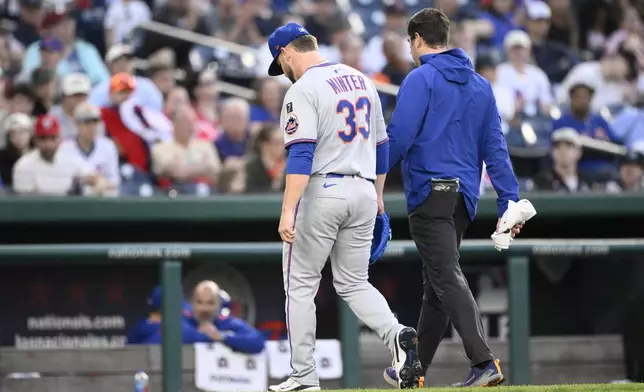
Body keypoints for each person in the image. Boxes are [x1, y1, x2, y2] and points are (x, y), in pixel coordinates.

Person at [266, 23, 421, 391]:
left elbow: (302, 153)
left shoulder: (303, 88)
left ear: (287, 52)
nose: (282, 70)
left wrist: (288, 210)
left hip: (323, 189)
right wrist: (379, 195)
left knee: (300, 285)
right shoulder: (360, 78)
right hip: (364, 190)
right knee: (353, 282)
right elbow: (383, 146)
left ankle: (304, 377)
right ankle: (395, 334)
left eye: (279, 61)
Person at [382, 8, 522, 388]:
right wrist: (509, 199)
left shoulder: (420, 78)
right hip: (464, 200)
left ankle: (482, 361)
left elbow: (398, 139)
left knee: (445, 277)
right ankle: (413, 371)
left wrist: (368, 175)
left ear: (416, 39)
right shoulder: (480, 84)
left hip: (430, 193)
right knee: (437, 289)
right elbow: (496, 149)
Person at [183, 280, 265, 354]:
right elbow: (179, 335)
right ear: (192, 303)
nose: (205, 308)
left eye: (210, 303)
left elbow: (257, 341)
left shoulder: (226, 322)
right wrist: (210, 336)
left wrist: (221, 337)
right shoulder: (185, 319)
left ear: (219, 304)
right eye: (199, 302)